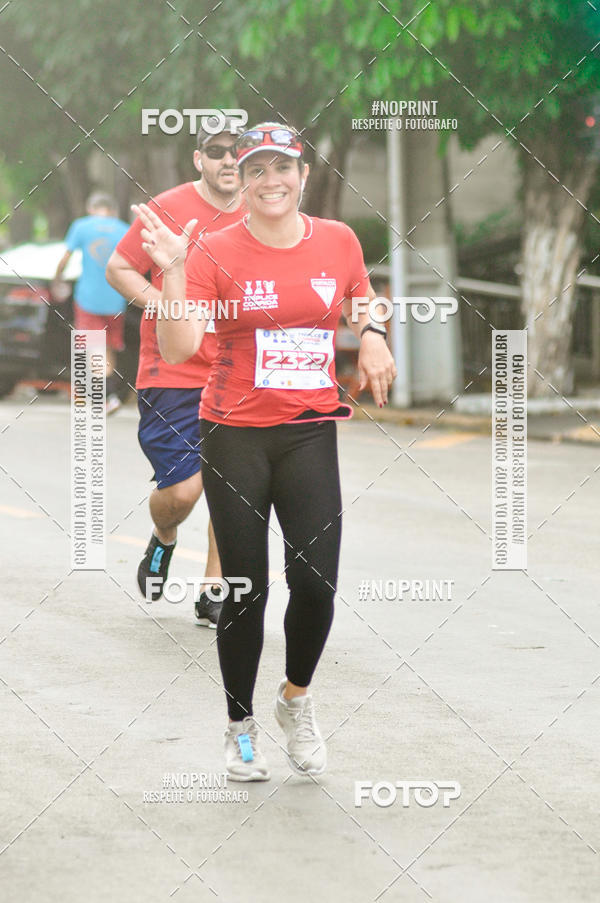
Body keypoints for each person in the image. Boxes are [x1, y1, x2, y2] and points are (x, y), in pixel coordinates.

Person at [134, 122, 396, 781]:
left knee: (315, 584)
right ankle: (239, 726)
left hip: (309, 429)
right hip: (233, 431)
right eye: (255, 170)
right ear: (241, 183)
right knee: (244, 588)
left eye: (281, 167)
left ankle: (295, 699)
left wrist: (370, 334)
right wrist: (171, 271)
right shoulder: (215, 250)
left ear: (303, 175)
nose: (269, 180)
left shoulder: (337, 240)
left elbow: (361, 294)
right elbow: (174, 348)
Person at [105, 117, 245, 625]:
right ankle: (164, 536)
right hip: (173, 372)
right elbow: (119, 268)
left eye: (238, 150)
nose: (229, 159)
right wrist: (163, 306)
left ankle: (214, 587)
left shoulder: (265, 211)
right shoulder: (168, 206)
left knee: (231, 481)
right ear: (199, 159)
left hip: (238, 370)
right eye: (218, 151)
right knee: (184, 490)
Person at [55, 191, 129, 415]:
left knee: (94, 346)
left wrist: (57, 279)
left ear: (90, 208)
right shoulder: (124, 229)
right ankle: (110, 395)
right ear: (112, 210)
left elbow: (65, 258)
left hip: (88, 299)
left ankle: (108, 396)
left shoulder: (82, 226)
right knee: (109, 347)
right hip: (117, 299)